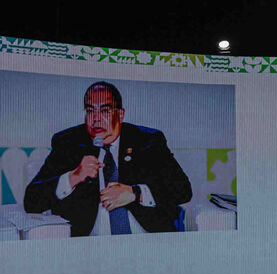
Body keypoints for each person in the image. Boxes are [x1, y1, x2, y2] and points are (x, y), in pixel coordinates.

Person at [23, 81, 193, 237]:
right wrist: (73, 177)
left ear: (120, 114)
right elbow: (31, 202)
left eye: (104, 110)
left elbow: (183, 191)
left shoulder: (148, 141)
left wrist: (136, 193)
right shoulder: (68, 143)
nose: (96, 119)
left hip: (145, 238)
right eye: (90, 111)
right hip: (89, 244)